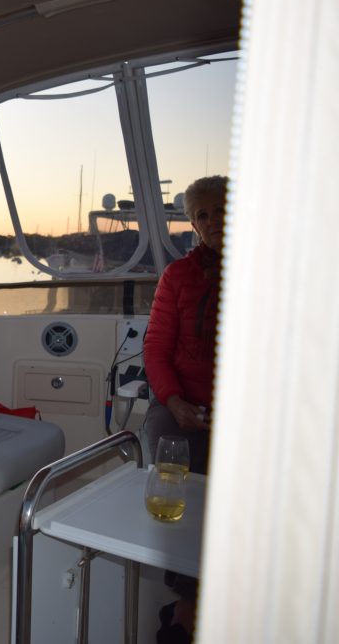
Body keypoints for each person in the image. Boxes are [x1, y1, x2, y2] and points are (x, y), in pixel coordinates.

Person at [142, 175, 227, 643]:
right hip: (179, 404)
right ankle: (189, 607)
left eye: (222, 209)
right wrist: (174, 400)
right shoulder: (176, 276)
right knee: (175, 468)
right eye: (203, 215)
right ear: (193, 224)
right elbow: (156, 346)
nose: (214, 220)